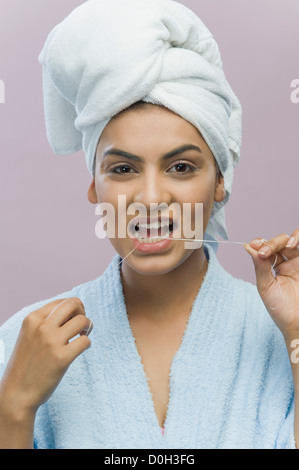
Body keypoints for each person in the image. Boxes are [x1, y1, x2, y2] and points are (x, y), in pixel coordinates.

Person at [0, 0, 299, 449]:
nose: (152, 199)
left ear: (220, 182)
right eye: (123, 170)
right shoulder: (21, 344)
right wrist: (14, 407)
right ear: (94, 188)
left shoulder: (281, 331)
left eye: (181, 167)